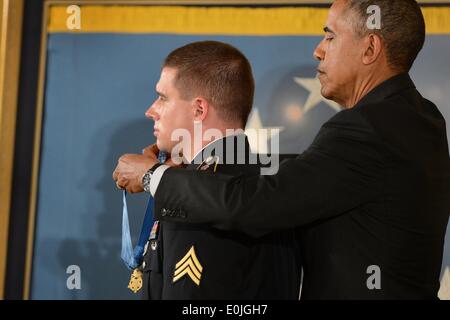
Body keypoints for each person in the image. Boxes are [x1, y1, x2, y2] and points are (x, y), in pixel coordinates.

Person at [113, 0, 450, 299]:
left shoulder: (369, 127)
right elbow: (308, 175)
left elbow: (260, 201)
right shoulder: (417, 119)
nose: (318, 49)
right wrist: (195, 160)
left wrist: (153, 175)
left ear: (370, 48)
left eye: (330, 36)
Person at [114, 41, 300, 299]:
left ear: (199, 109)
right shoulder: (263, 181)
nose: (150, 111)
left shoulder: (196, 197)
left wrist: (168, 178)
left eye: (162, 98)